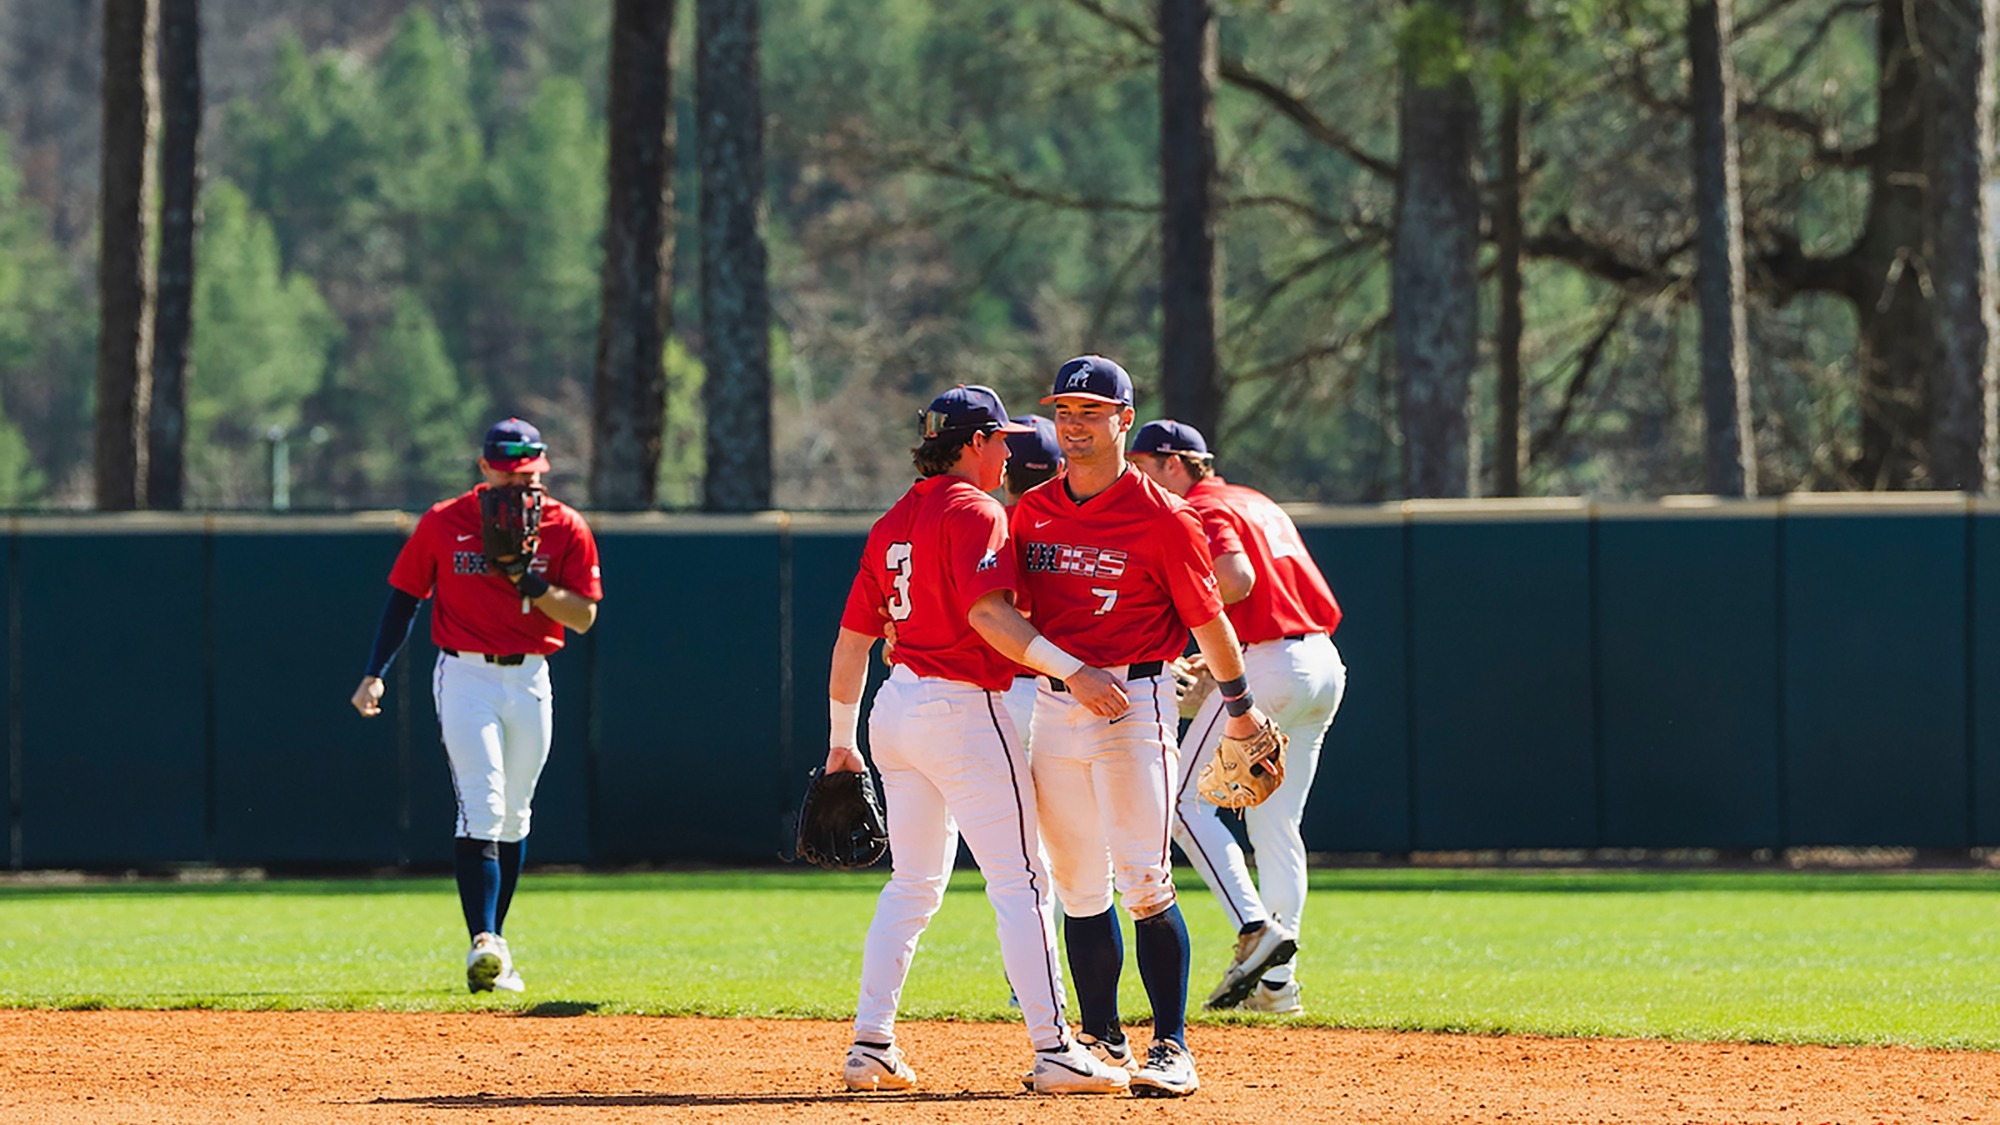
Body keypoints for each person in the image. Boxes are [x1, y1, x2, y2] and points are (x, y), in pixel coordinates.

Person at [827, 384, 1130, 1096]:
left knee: (913, 884)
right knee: (1023, 880)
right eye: (999, 439)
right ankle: (1055, 1048)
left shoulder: (892, 520)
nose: (1007, 452)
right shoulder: (975, 509)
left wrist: (841, 742)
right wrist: (1073, 670)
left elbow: (850, 643)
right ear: (972, 444)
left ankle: (871, 1042)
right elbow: (990, 616)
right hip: (965, 707)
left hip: (894, 707)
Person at [1011, 356, 1276, 1098]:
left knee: (1144, 878)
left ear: (1125, 420)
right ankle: (1098, 1037)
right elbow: (1008, 608)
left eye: (1091, 412)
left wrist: (1242, 707)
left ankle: (1172, 1046)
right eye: (1065, 411)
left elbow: (1210, 619)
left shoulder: (1166, 516)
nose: (1074, 424)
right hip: (1057, 704)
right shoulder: (1031, 510)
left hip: (1136, 701)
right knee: (1075, 882)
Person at [349, 418, 603, 994]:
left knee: (516, 814)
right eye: (508, 473)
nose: (519, 485)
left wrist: (528, 583)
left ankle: (497, 945)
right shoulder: (446, 521)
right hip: (464, 673)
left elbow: (583, 617)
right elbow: (404, 599)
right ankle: (482, 939)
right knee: (482, 805)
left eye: (529, 474)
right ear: (484, 468)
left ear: (544, 469)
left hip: (531, 675)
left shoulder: (564, 526)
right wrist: (374, 674)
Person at [1129, 419, 1346, 1017]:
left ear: (1175, 463)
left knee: (1180, 804)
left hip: (1271, 667)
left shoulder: (1199, 502)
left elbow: (1235, 578)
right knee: (1276, 828)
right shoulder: (1253, 498)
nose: (1135, 476)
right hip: (1321, 663)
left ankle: (1256, 930)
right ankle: (1279, 988)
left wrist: (1175, 625)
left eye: (1143, 463)